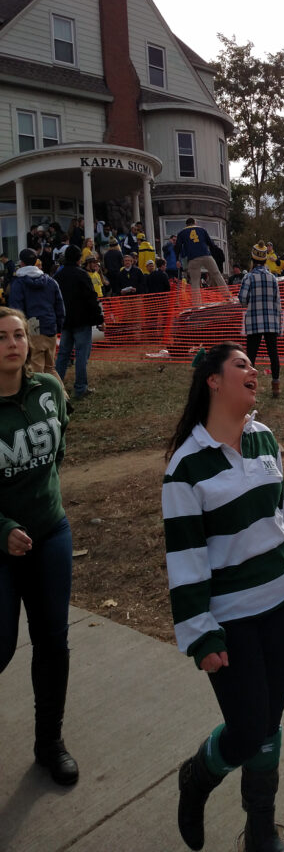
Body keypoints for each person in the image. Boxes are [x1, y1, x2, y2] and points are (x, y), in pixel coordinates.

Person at [163, 343, 284, 852]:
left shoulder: (265, 438)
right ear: (212, 381)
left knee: (269, 724)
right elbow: (186, 560)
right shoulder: (185, 468)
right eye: (241, 364)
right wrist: (201, 635)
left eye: (253, 364)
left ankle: (260, 830)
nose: (254, 370)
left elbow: (282, 518)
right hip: (233, 621)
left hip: (282, 604)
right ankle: (198, 776)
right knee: (245, 731)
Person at [0, 307, 78, 786]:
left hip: (50, 533)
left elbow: (58, 449)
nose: (13, 343)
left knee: (53, 641)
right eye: (2, 337)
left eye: (18, 335)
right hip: (0, 549)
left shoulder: (49, 390)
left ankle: (50, 741)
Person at [54, 246, 104, 400]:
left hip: (65, 321)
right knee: (82, 354)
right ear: (78, 259)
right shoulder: (82, 275)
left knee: (63, 354)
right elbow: (91, 298)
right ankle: (81, 388)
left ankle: (56, 388)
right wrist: (99, 319)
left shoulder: (58, 276)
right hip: (82, 320)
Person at [9, 248, 66, 377]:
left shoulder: (18, 283)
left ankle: (43, 396)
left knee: (36, 371)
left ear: (21, 263)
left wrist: (18, 333)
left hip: (32, 330)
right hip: (50, 327)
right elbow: (60, 307)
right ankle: (61, 396)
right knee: (50, 368)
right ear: (36, 261)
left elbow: (16, 311)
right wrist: (58, 326)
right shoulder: (51, 282)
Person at [238, 242, 283, 398]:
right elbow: (278, 303)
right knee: (273, 353)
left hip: (254, 321)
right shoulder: (273, 278)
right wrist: (280, 326)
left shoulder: (248, 277)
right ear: (265, 260)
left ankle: (248, 386)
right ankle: (276, 385)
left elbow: (243, 300)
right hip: (271, 321)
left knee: (251, 355)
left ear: (253, 258)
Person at [175, 217, 228, 295]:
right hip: (206, 255)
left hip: (193, 258)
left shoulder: (181, 233)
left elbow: (178, 247)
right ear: (195, 223)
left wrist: (178, 259)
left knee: (195, 281)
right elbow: (211, 243)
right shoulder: (202, 230)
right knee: (217, 274)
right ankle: (227, 296)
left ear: (186, 225)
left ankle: (196, 304)